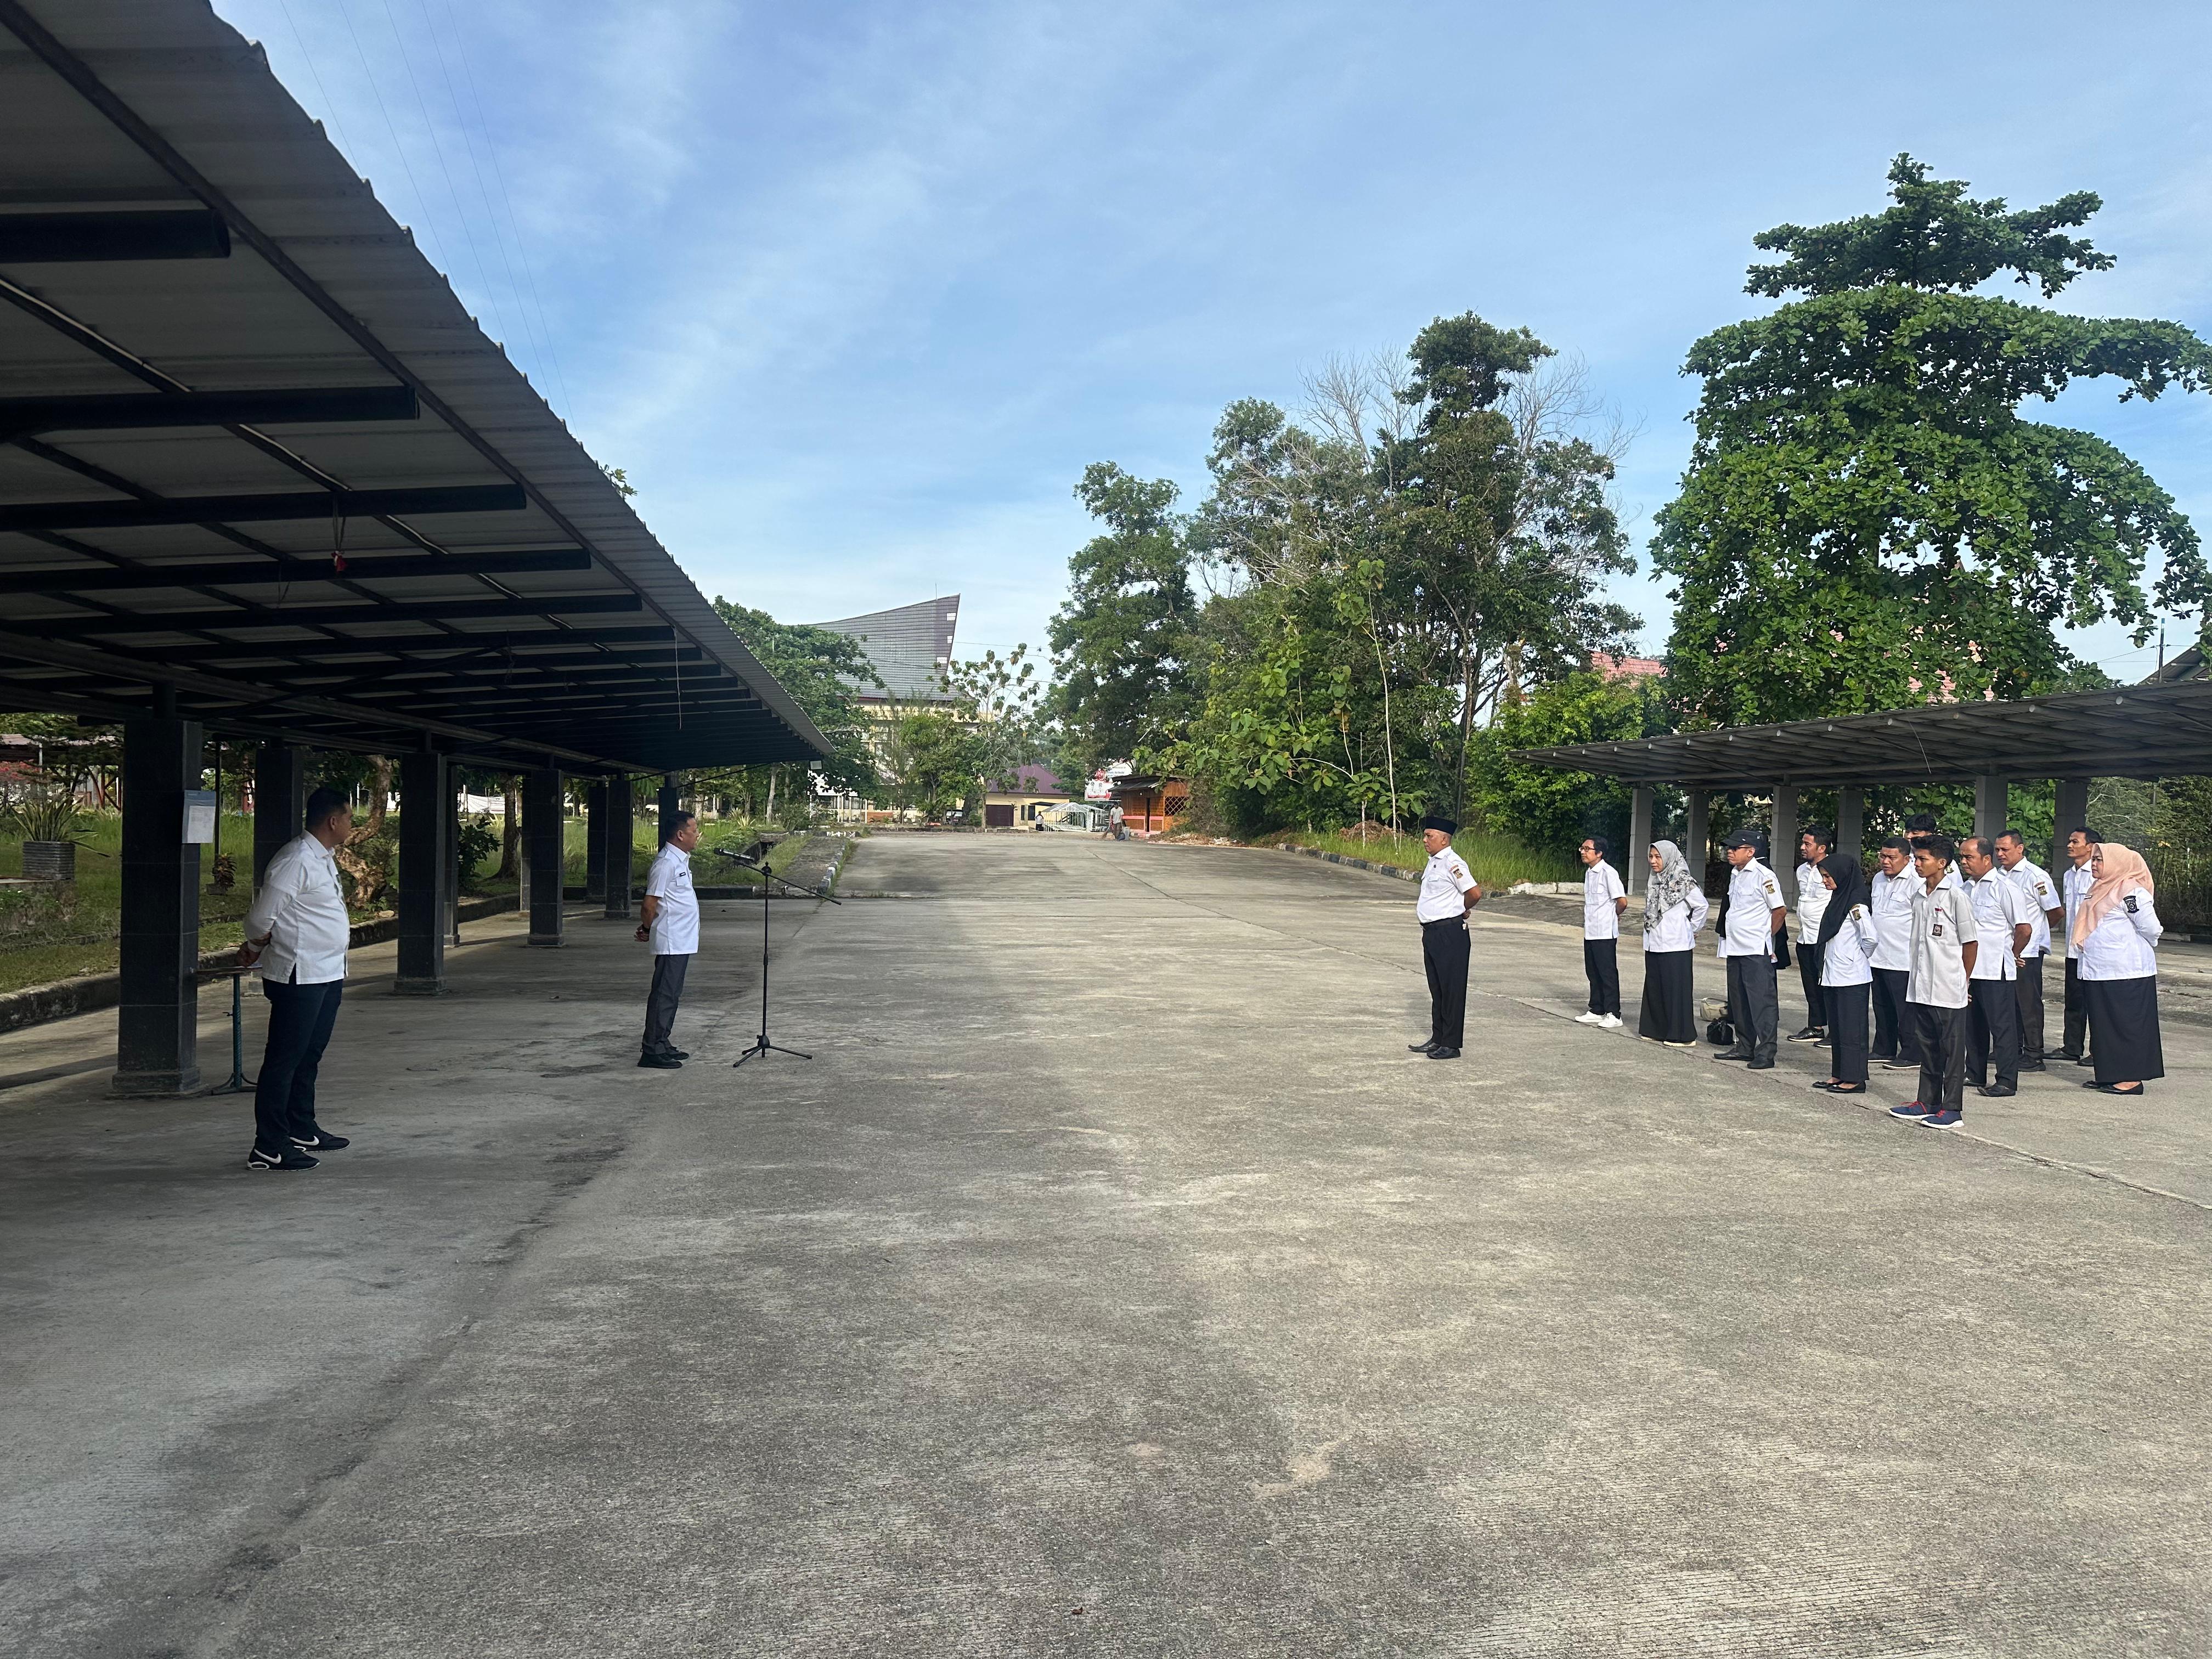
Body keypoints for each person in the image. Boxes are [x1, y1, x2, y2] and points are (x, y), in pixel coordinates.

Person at [238, 786, 357, 1171]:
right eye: (351, 819)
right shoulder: (296, 860)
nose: (352, 826)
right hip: (298, 973)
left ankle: (301, 1128)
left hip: (326, 971)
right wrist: (255, 946)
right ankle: (268, 1146)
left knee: (310, 1054)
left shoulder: (324, 857)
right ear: (333, 821)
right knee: (284, 1060)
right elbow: (261, 918)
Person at [1893, 835, 1977, 1128]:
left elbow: (1970, 943)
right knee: (1927, 1045)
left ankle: (1952, 1108)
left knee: (1952, 1049)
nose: (1917, 864)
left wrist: (1963, 981)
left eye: (1923, 859)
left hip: (1947, 984)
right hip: (1921, 982)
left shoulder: (1956, 897)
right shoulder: (1919, 895)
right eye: (1916, 859)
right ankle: (1927, 1100)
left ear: (1942, 863)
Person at [2074, 842, 2163, 1096]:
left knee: (2127, 1026)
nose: (2094, 864)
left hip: (2126, 971)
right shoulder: (2100, 888)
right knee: (2104, 1025)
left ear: (2117, 863)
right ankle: (2109, 1074)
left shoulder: (2130, 891)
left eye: (2100, 860)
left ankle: (2131, 1080)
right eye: (2094, 860)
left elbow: (2151, 928)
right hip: (2099, 970)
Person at [1959, 836, 2031, 1098]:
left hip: (1995, 968)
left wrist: (2012, 953)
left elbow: (2023, 929)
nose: (1964, 862)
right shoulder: (1966, 889)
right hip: (1970, 968)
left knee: (2002, 1027)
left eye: (1970, 857)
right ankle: (1975, 1072)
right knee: (1972, 1025)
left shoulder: (2005, 888)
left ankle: (2006, 1080)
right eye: (1962, 857)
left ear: (1986, 859)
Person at [1712, 830, 1787, 1070]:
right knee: (1739, 999)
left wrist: (1766, 937)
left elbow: (1779, 911)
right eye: (1729, 848)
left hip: (1755, 949)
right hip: (1735, 947)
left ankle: (1766, 1052)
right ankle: (1744, 1047)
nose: (1730, 852)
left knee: (1761, 1002)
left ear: (1751, 852)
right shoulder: (1736, 873)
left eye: (1735, 848)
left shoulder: (1764, 876)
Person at [1409, 815, 1481, 1059]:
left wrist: (1461, 909)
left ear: (1444, 839)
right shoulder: (1434, 862)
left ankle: (1451, 1044)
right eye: (1425, 835)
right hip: (1433, 933)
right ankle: (1438, 1037)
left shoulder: (1453, 862)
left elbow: (1474, 892)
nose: (1425, 840)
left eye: (1429, 836)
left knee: (1452, 989)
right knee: (1437, 988)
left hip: (1451, 933)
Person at [636, 809, 703, 1069]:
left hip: (683, 939)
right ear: (680, 834)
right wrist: (646, 927)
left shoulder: (681, 859)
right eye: (694, 830)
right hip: (671, 939)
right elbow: (650, 903)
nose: (697, 835)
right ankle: (651, 1049)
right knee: (664, 994)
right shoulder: (665, 863)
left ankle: (663, 1042)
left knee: (672, 994)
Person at [1995, 827, 2063, 1071]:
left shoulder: (2035, 876)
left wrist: (2038, 935)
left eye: (2005, 849)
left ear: (2020, 848)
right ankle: (2014, 1048)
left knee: (2028, 1003)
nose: (2000, 854)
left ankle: (2034, 1053)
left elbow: (2055, 912)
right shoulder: (1999, 876)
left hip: (2029, 950)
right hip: (2006, 949)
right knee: (2007, 1001)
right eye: (1997, 850)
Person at [1813, 851, 1877, 1093]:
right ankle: (1838, 1073)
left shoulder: (1856, 903)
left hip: (1852, 976)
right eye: (1823, 876)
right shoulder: (1838, 899)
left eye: (1828, 876)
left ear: (1842, 875)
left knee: (1853, 1029)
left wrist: (1857, 957)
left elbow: (1871, 938)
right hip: (1833, 974)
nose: (1825, 881)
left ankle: (1855, 1078)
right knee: (1838, 1028)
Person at [1638, 839, 1708, 1046]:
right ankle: (1656, 1029)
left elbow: (1702, 907)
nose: (1653, 861)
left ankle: (1681, 1035)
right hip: (1654, 942)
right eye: (1651, 856)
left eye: (1658, 857)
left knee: (1676, 990)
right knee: (1655, 987)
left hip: (1676, 944)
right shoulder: (1655, 880)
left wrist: (1691, 929)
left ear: (1669, 857)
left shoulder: (1684, 881)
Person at [1867, 837, 1920, 1070]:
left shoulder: (1916, 881)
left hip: (1903, 956)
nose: (1885, 862)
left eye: (1892, 857)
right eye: (1882, 856)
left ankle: (1912, 1052)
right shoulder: (1879, 879)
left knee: (1905, 1009)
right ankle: (1883, 1048)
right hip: (1878, 954)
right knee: (1882, 1005)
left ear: (1907, 859)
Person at [2057, 826, 2100, 1067]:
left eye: (2075, 842)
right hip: (2072, 950)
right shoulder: (2069, 875)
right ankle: (2072, 1046)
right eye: (2070, 841)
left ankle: (2097, 1050)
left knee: (2095, 1002)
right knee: (2073, 1000)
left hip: (2092, 951)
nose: (2070, 846)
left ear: (2091, 846)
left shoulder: (2097, 875)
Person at [1788, 824, 1834, 1043]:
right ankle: (1816, 1026)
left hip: (1824, 937)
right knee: (1810, 984)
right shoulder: (1802, 870)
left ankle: (1837, 1029)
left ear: (1822, 848)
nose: (1803, 847)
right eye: (1803, 843)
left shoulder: (1832, 869)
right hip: (1805, 936)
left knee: (1829, 984)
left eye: (1808, 844)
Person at [1576, 834, 1627, 1029]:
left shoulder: (1608, 873)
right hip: (1591, 931)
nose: (1583, 852)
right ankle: (1596, 1009)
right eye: (1582, 848)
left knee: (1607, 973)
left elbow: (1622, 901)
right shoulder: (1590, 873)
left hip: (1605, 932)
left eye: (1587, 849)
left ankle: (1614, 1013)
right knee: (1593, 971)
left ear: (1599, 853)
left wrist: (1614, 915)